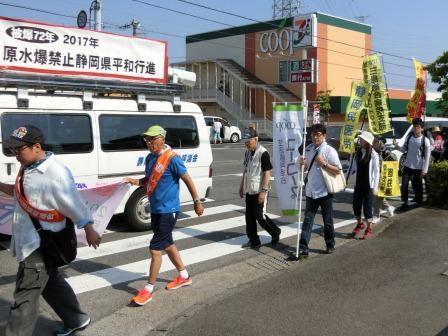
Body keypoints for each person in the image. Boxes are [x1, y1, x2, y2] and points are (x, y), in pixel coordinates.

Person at [0, 125, 101, 336]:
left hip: (39, 245)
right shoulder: (28, 167)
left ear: (36, 147)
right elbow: (20, 193)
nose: (15, 154)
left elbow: (74, 202)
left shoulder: (55, 173)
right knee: (50, 282)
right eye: (13, 150)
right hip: (33, 242)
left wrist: (89, 227)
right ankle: (76, 319)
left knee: (25, 299)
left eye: (19, 149)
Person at [124, 125, 204, 306]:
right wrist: (133, 181)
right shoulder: (150, 158)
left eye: (152, 140)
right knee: (168, 244)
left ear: (162, 140)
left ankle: (148, 290)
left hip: (169, 211)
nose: (149, 143)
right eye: (147, 140)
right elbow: (148, 180)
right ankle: (184, 276)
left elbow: (187, 179)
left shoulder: (172, 159)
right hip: (156, 209)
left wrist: (197, 201)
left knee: (155, 249)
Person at [298, 123, 342, 259]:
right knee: (307, 221)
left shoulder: (329, 151)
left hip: (325, 192)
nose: (315, 137)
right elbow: (303, 170)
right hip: (311, 191)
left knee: (327, 220)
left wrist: (323, 163)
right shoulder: (309, 148)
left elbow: (338, 170)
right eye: (313, 134)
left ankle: (330, 244)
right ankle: (303, 248)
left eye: (318, 134)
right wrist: (302, 164)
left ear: (324, 136)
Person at [239, 128, 280, 248]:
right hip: (250, 190)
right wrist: (241, 186)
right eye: (245, 141)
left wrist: (263, 191)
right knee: (249, 217)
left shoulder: (263, 153)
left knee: (260, 216)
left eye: (248, 141)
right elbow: (245, 170)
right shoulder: (247, 153)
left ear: (256, 139)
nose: (246, 143)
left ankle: (275, 232)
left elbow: (267, 173)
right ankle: (254, 240)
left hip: (260, 190)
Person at [393, 118, 431, 210]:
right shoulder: (409, 137)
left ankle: (419, 200)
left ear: (422, 129)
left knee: (417, 185)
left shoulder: (425, 141)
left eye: (417, 127)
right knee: (404, 185)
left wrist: (424, 170)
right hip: (407, 165)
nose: (415, 128)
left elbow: (427, 157)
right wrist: (396, 145)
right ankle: (404, 203)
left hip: (418, 167)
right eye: (414, 126)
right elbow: (403, 149)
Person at [350, 131, 380, 239]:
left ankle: (368, 228)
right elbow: (352, 168)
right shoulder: (357, 152)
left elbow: (377, 172)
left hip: (368, 186)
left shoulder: (374, 155)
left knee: (367, 208)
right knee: (356, 205)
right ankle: (359, 223)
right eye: (360, 139)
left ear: (367, 141)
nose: (360, 140)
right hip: (358, 184)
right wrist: (345, 178)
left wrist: (375, 187)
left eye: (362, 139)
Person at [372, 137, 395, 222]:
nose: (374, 143)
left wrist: (384, 151)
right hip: (374, 174)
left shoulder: (384, 151)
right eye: (373, 141)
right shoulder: (372, 150)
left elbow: (392, 159)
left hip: (383, 174)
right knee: (378, 194)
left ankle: (376, 215)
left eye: (376, 142)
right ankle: (389, 208)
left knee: (379, 195)